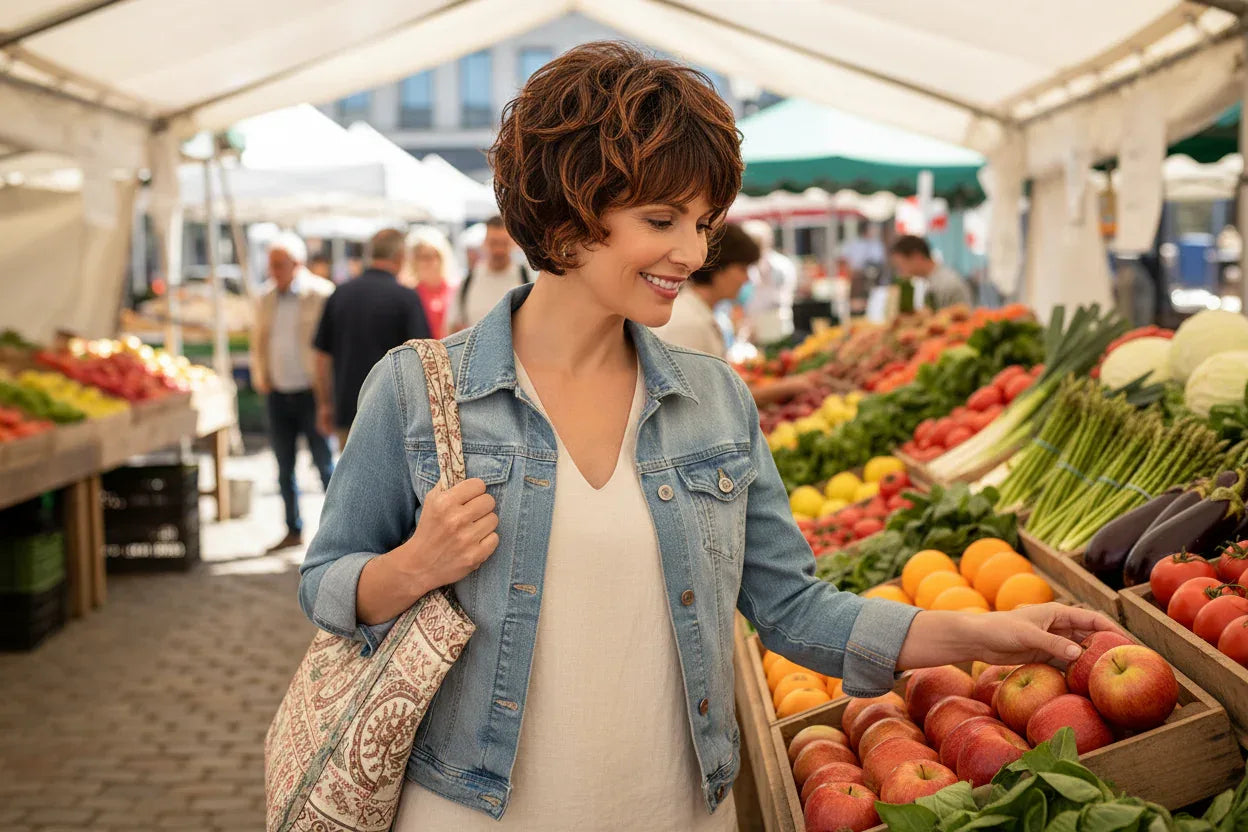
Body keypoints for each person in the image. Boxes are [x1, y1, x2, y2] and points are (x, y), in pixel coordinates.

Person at [298, 42, 1124, 831]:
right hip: (469, 813)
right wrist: (411, 568)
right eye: (662, 218)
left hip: (681, 811)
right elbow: (327, 581)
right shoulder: (418, 389)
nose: (692, 251)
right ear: (566, 212)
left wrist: (987, 634)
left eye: (703, 222)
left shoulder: (714, 401)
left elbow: (793, 611)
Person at [655, 224, 816, 405]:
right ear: (720, 268)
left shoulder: (698, 314)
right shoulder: (690, 324)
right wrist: (787, 387)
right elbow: (709, 402)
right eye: (743, 269)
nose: (747, 279)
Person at [250, 232, 336, 552]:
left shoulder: (321, 295)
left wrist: (328, 394)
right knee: (283, 466)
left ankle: (337, 533)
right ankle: (292, 528)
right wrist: (262, 376)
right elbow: (258, 340)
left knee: (324, 465)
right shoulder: (265, 297)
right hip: (278, 392)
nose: (273, 270)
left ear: (297, 264)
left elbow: (329, 348)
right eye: (271, 264)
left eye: (279, 264)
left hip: (311, 394)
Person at [313, 228, 431, 448]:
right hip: (395, 415)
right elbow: (423, 359)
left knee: (351, 480)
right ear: (400, 257)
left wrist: (325, 404)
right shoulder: (406, 298)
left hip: (348, 410)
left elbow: (321, 357)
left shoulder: (340, 294)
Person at [454, 215, 530, 330]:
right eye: (493, 243)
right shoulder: (468, 281)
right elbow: (454, 326)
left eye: (503, 243)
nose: (498, 250)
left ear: (513, 243)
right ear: (484, 242)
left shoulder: (527, 278)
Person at [740, 219, 798, 344]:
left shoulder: (781, 266)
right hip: (752, 331)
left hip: (776, 329)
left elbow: (780, 299)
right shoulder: (748, 266)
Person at [401, 225, 457, 339]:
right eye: (425, 257)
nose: (433, 262)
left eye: (437, 256)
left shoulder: (455, 289)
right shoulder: (408, 293)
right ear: (414, 260)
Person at [890, 234, 974, 309]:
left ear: (916, 257)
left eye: (900, 266)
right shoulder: (930, 281)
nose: (900, 273)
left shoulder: (947, 284)